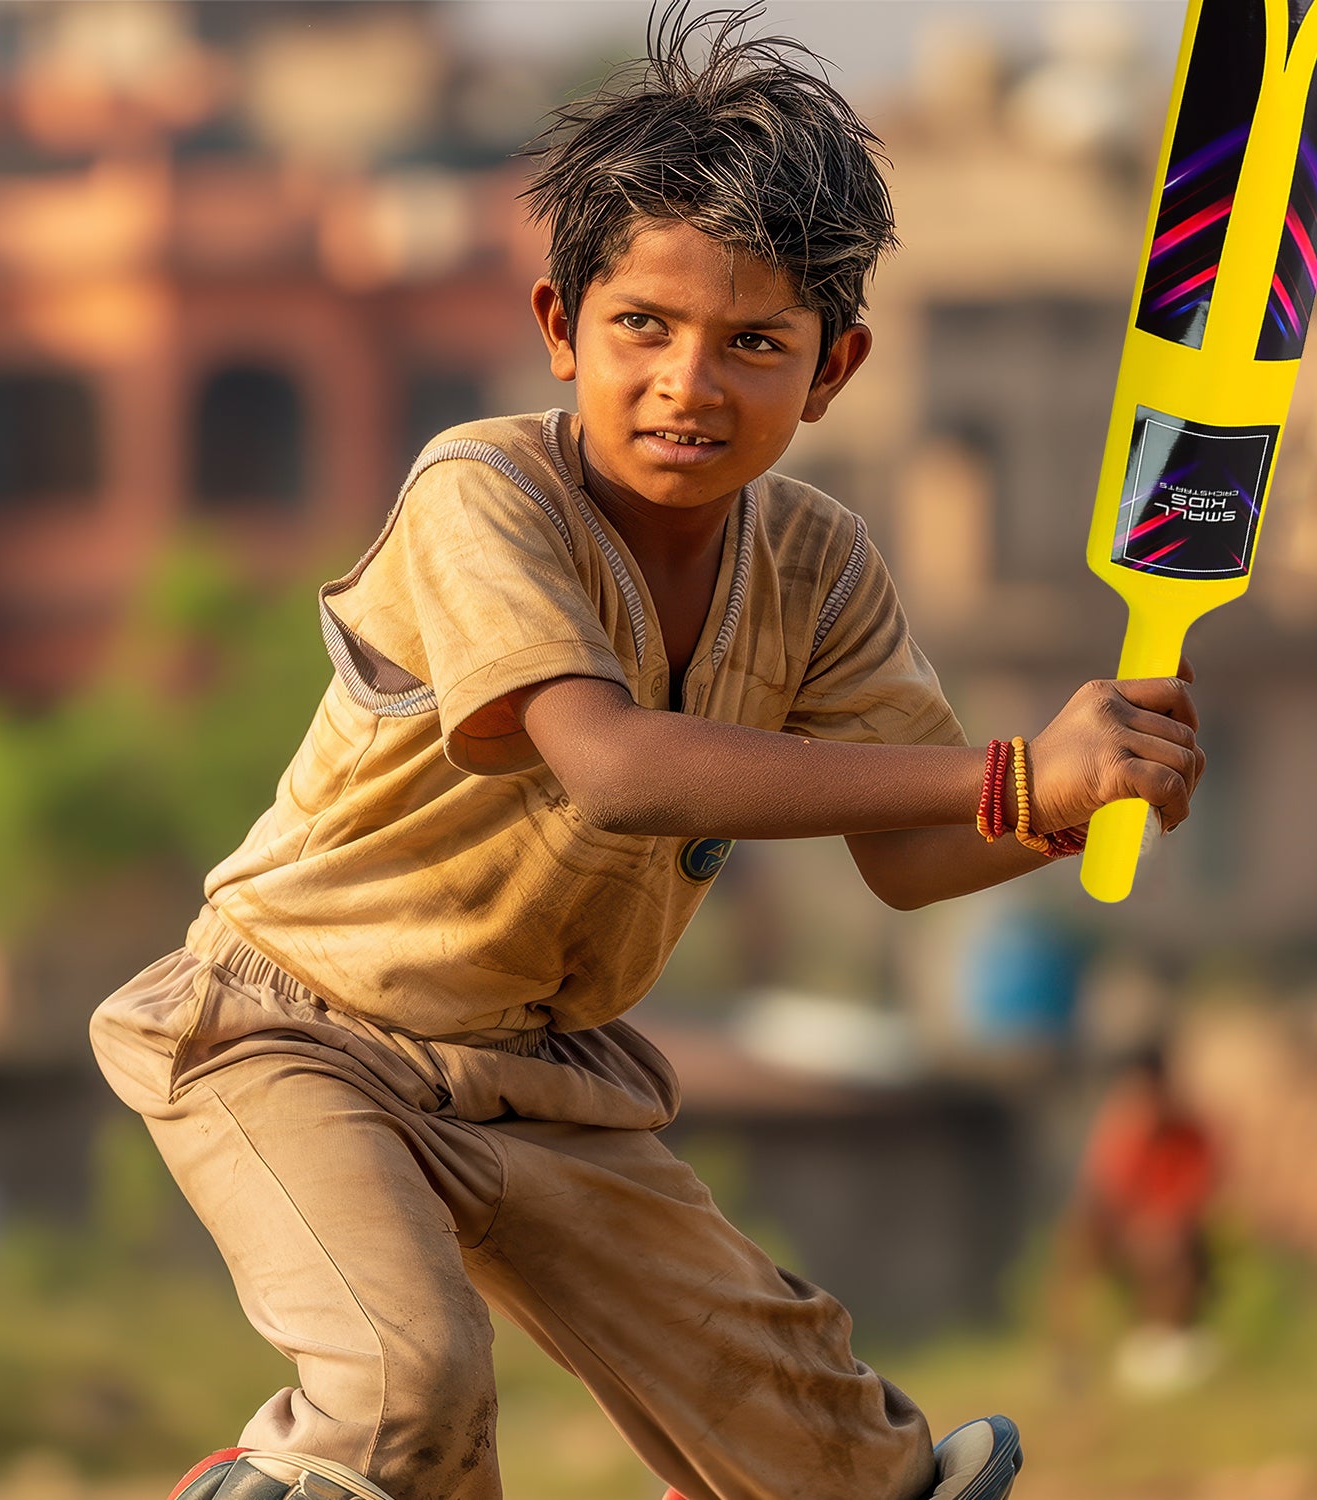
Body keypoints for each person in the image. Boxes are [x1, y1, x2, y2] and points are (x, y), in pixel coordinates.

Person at [91, 7, 1204, 1498]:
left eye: (754, 343)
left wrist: (1078, 789)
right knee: (403, 1395)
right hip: (299, 1034)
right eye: (644, 329)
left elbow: (915, 858)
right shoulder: (481, 490)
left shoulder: (820, 562)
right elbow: (612, 766)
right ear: (561, 327)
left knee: (831, 1452)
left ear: (834, 368)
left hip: (547, 1080)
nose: (690, 382)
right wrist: (1009, 772)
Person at [1059, 1045, 1219, 1395]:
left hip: (1177, 1238)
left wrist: (1160, 1226)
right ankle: (1069, 1354)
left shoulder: (1190, 1134)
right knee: (1074, 1242)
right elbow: (1104, 1198)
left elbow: (1197, 1198)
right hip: (1127, 1236)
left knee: (1171, 1250)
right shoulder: (1121, 1135)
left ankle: (1168, 1336)